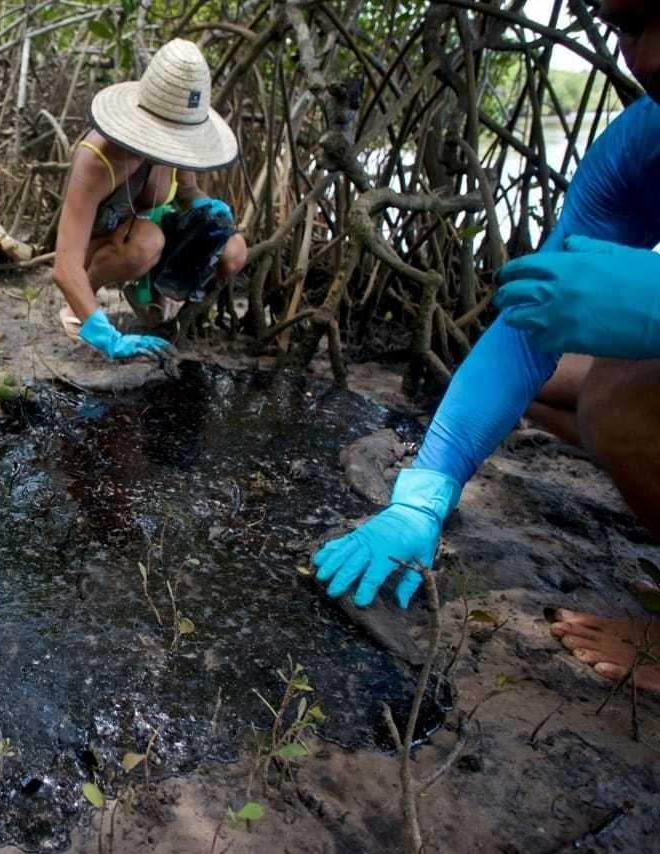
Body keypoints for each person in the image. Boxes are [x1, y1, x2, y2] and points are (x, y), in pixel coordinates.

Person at [312, 0, 660, 692]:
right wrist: (423, 494)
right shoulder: (641, 144)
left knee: (620, 404)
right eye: (627, 26)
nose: (647, 59)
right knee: (557, 381)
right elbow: (531, 328)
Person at [53, 39, 249, 360]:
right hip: (106, 246)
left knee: (234, 249)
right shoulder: (97, 160)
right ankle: (84, 301)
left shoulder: (176, 145)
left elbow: (187, 191)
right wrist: (109, 338)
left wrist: (205, 205)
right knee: (146, 242)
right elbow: (63, 266)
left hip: (150, 235)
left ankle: (164, 306)